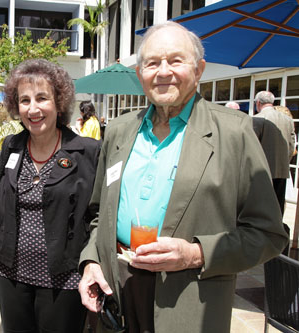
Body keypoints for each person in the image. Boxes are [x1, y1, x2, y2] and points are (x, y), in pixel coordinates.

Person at [78, 21, 289, 333]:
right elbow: (98, 214)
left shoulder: (235, 132)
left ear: (199, 69)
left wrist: (194, 254)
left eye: (176, 60)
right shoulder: (120, 130)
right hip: (116, 291)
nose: (163, 72)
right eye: (151, 63)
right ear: (140, 74)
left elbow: (269, 235)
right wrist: (91, 261)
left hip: (189, 300)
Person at [0, 59, 101, 332]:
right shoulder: (13, 146)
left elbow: (97, 212)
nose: (33, 109)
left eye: (42, 98)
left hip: (63, 277)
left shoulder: (87, 151)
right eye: (24, 100)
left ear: (59, 102)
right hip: (11, 274)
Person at [254, 91, 295, 215]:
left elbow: (252, 146)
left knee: (261, 206)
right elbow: (291, 144)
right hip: (281, 169)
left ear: (258, 103)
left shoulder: (257, 119)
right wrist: (284, 161)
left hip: (261, 170)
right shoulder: (287, 120)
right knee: (278, 204)